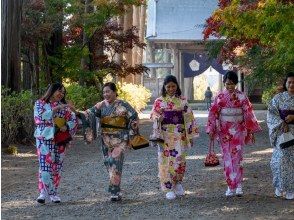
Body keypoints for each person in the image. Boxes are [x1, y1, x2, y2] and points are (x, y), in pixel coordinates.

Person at [76, 82, 139, 202]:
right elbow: (88, 114)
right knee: (109, 163)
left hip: (120, 138)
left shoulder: (123, 104)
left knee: (115, 162)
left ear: (115, 92)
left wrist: (132, 134)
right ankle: (117, 189)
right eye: (104, 92)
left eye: (108, 91)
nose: (106, 94)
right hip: (105, 139)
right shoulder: (101, 105)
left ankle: (114, 192)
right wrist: (77, 112)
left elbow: (134, 117)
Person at [206, 71, 261, 197]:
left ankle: (239, 185)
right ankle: (230, 186)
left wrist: (251, 130)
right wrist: (211, 128)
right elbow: (213, 113)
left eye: (232, 84)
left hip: (238, 131)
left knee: (238, 157)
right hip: (224, 131)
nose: (229, 86)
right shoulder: (219, 97)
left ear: (235, 84)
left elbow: (248, 113)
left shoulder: (242, 97)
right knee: (226, 158)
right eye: (227, 84)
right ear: (224, 83)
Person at [150, 75, 199, 200]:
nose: (171, 89)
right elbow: (153, 115)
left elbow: (189, 118)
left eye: (173, 86)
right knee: (164, 160)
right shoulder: (159, 101)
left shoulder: (182, 100)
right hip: (165, 135)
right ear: (164, 87)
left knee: (179, 159)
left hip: (179, 134)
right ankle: (168, 187)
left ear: (177, 86)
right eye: (168, 87)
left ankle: (177, 184)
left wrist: (191, 135)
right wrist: (158, 118)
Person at [34, 83, 77, 204]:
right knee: (45, 165)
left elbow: (73, 119)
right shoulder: (40, 103)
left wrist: (66, 126)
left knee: (57, 166)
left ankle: (54, 192)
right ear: (51, 91)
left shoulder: (64, 106)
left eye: (63, 92)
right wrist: (55, 109)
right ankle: (43, 193)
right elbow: (39, 118)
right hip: (44, 138)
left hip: (60, 139)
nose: (61, 94)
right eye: (59, 91)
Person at [267, 72, 294, 200]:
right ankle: (278, 187)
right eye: (289, 82)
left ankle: (291, 189)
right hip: (283, 131)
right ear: (285, 83)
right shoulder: (278, 98)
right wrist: (281, 122)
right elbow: (271, 114)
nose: (292, 84)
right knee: (278, 160)